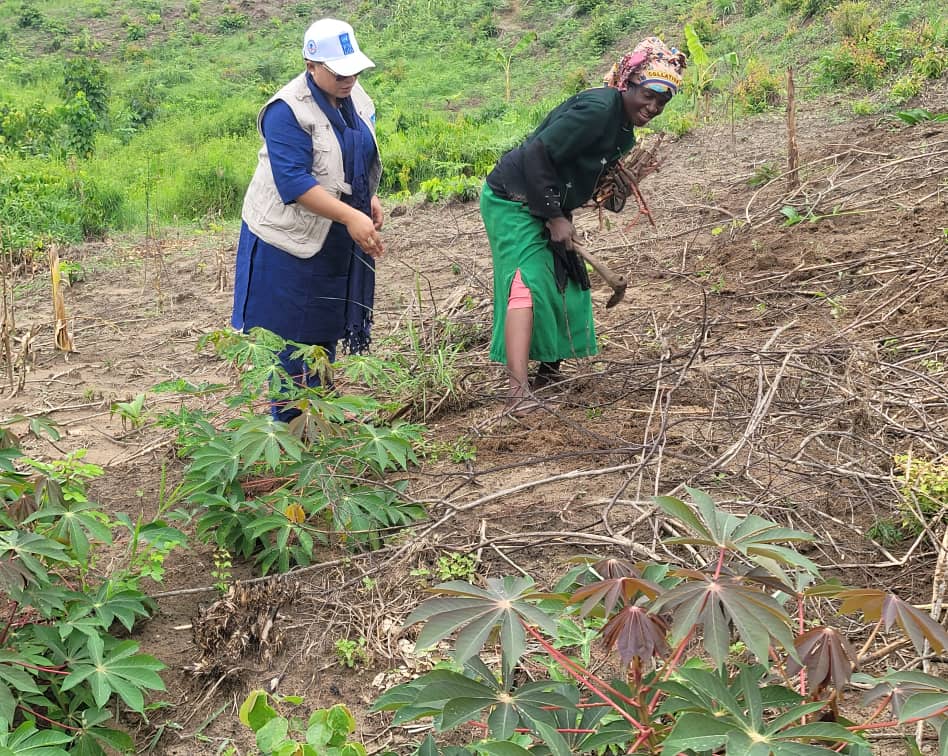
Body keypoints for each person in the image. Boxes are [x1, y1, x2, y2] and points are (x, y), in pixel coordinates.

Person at [480, 37, 686, 414]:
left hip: (548, 199)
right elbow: (536, 152)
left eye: (663, 101)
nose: (653, 106)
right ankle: (516, 392)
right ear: (628, 83)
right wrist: (555, 217)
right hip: (512, 197)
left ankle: (547, 373)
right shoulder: (597, 110)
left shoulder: (622, 129)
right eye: (649, 94)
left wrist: (608, 190)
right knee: (527, 282)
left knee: (569, 284)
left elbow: (583, 167)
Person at [231, 18, 384, 422]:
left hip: (331, 234)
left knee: (322, 325)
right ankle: (289, 427)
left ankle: (319, 415)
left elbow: (354, 156)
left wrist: (368, 198)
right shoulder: (287, 111)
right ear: (310, 64)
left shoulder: (354, 96)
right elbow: (295, 182)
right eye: (338, 72)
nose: (348, 78)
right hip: (285, 239)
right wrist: (352, 214)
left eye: (353, 70)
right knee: (289, 336)